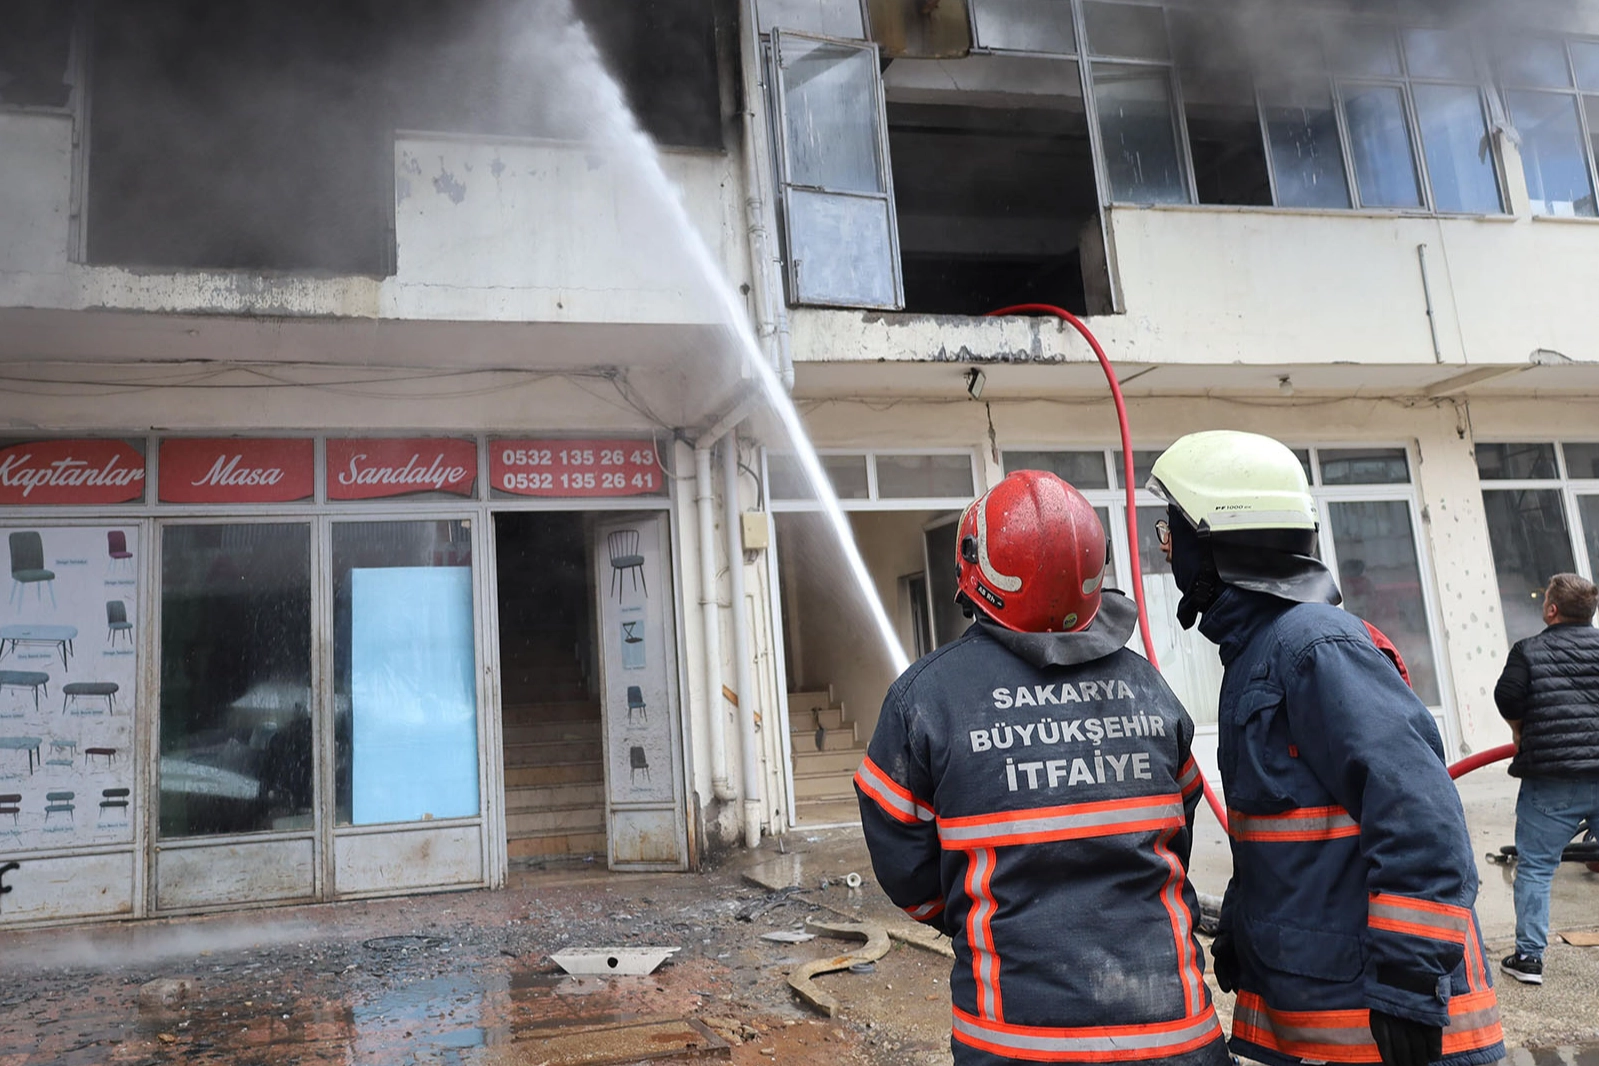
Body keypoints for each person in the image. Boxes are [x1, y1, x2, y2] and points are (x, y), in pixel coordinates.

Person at [1147, 430, 1504, 1066]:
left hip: (1390, 1031)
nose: (1166, 550)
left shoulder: (1314, 646)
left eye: (1172, 532)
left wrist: (1409, 977)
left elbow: (1420, 815)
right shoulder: (1261, 654)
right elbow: (1288, 828)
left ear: (1216, 539)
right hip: (1322, 1021)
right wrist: (1243, 922)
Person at [855, 470, 1229, 1066]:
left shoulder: (923, 700)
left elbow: (905, 866)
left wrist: (981, 919)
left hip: (1014, 1044)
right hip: (1176, 1037)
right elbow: (1172, 837)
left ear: (974, 567)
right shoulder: (1148, 688)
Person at [1493, 572, 1599, 985]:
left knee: (1537, 868)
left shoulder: (1529, 651)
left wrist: (1519, 732)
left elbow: (1508, 696)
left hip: (1553, 779)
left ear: (1552, 609)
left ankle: (1530, 960)